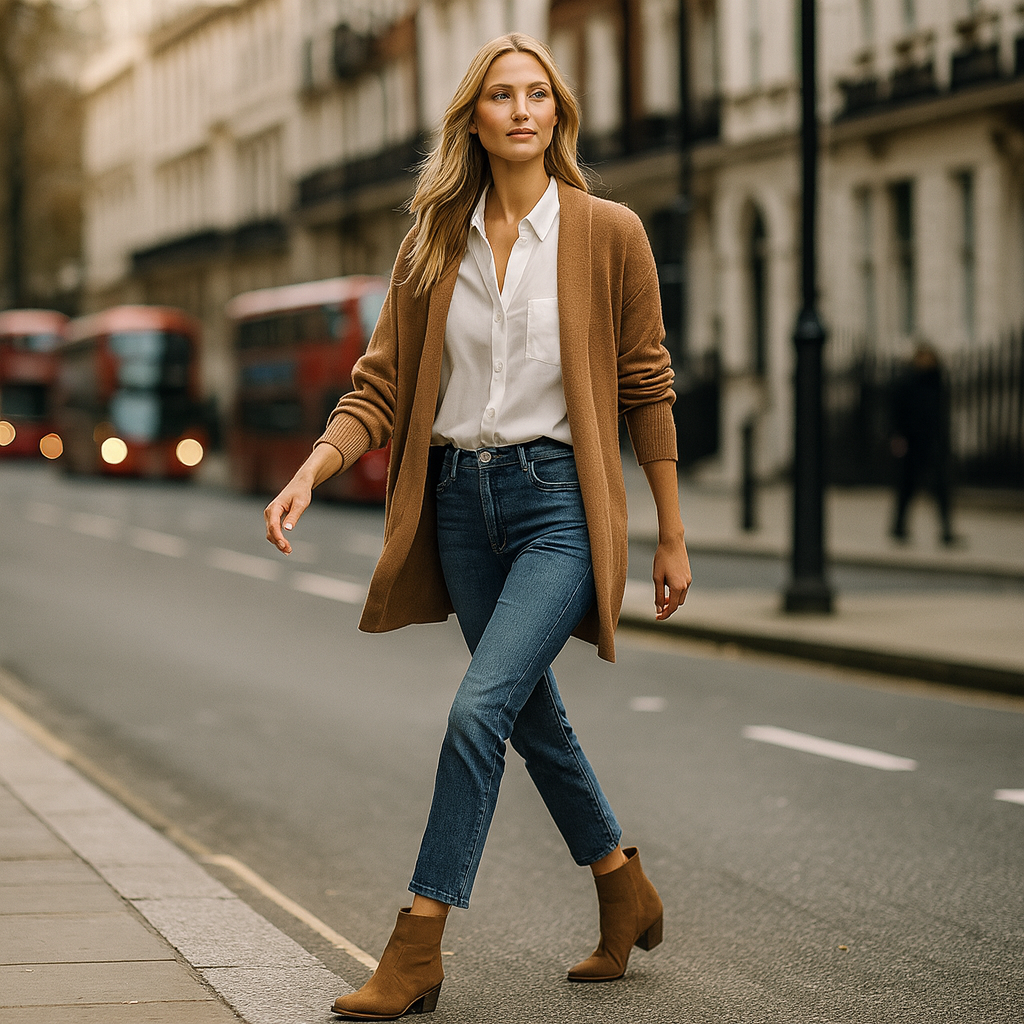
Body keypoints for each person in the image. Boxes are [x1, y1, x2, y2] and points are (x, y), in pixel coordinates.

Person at [264, 32, 691, 1021]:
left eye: (537, 93)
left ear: (557, 113)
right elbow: (377, 388)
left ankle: (417, 942)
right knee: (530, 716)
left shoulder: (607, 232)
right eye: (500, 95)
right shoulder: (431, 243)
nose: (521, 109)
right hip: (459, 505)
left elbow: (646, 384)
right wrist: (312, 470)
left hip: (557, 505)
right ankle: (622, 885)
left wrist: (669, 532)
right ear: (474, 117)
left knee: (477, 711)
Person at [890, 341, 956, 545]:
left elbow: (941, 414)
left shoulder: (937, 381)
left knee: (940, 487)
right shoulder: (907, 382)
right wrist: (898, 436)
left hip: (933, 441)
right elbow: (898, 413)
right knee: (908, 487)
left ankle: (946, 529)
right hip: (913, 441)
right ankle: (899, 526)